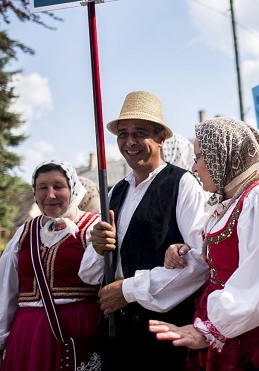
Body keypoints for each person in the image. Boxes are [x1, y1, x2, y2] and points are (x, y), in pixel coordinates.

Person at [148, 117, 259, 370]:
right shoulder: (231, 201)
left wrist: (213, 328)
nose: (194, 168)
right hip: (234, 319)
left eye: (199, 157)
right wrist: (187, 252)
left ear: (222, 155)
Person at [78, 90, 207, 371]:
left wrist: (129, 289)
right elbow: (88, 273)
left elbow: (199, 262)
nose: (130, 141)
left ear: (161, 137)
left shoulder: (182, 184)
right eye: (123, 134)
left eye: (140, 132)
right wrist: (98, 247)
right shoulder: (116, 192)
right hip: (115, 332)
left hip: (162, 334)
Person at [0, 160, 102, 371]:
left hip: (79, 330)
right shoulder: (24, 233)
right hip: (28, 337)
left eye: (58, 187)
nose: (50, 195)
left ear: (73, 189)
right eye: (42, 188)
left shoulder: (93, 228)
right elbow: (2, 291)